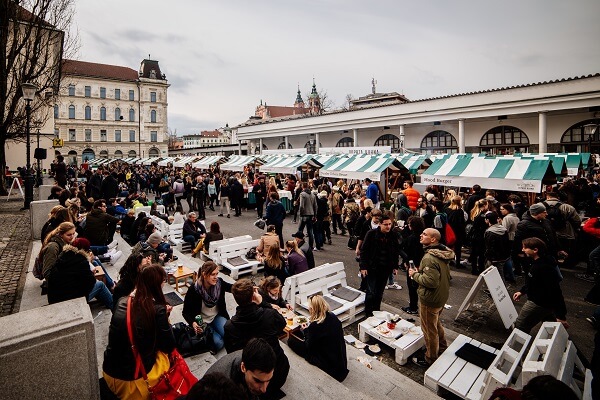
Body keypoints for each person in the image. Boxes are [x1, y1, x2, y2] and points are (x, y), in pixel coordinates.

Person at [102, 265, 176, 400]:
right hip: (133, 381)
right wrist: (165, 319)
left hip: (109, 371)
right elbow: (169, 345)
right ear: (158, 284)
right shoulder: (157, 310)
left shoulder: (122, 301)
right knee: (169, 357)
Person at [224, 279, 289, 400]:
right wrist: (263, 303)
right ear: (254, 294)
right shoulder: (269, 314)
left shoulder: (230, 327)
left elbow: (232, 355)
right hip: (279, 371)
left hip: (253, 377)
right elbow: (282, 324)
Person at [409, 228, 454, 367]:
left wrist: (414, 274)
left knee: (429, 330)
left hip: (430, 299)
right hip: (441, 296)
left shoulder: (429, 257)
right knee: (435, 324)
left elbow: (430, 282)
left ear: (433, 239)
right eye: (421, 233)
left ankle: (430, 358)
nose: (421, 235)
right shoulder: (442, 252)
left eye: (424, 234)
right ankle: (441, 347)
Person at [513, 237, 568, 334]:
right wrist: (522, 291)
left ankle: (512, 348)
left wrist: (561, 315)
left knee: (520, 326)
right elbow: (533, 281)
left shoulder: (544, 267)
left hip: (538, 303)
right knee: (551, 328)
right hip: (543, 303)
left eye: (525, 248)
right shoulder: (539, 262)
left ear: (535, 250)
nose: (522, 250)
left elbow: (555, 291)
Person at [287, 295, 349, 382]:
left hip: (328, 364)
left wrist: (305, 331)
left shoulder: (315, 326)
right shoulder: (333, 317)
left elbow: (309, 346)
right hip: (339, 361)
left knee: (291, 341)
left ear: (313, 309)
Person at [47, 237, 113, 309]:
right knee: (100, 285)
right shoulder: (81, 261)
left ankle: (106, 298)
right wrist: (89, 265)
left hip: (54, 298)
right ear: (85, 251)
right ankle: (113, 305)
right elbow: (91, 283)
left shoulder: (63, 255)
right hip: (68, 301)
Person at [183, 262, 232, 352]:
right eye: (213, 274)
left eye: (217, 274)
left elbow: (232, 288)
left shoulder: (219, 283)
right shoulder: (194, 289)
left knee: (229, 333)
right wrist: (193, 323)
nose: (216, 277)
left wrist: (248, 288)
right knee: (218, 343)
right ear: (204, 275)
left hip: (216, 316)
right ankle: (210, 331)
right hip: (202, 321)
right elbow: (185, 312)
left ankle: (212, 330)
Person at [206, 338, 277, 400]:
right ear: (243, 367)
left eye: (268, 380)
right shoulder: (223, 389)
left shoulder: (249, 356)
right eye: (257, 381)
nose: (264, 389)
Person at [359, 214, 402, 316]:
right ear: (380, 224)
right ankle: (368, 312)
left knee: (379, 292)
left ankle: (376, 311)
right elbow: (364, 251)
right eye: (385, 224)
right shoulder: (371, 234)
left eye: (390, 224)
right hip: (372, 268)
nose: (388, 227)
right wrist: (363, 267)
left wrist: (395, 266)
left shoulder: (393, 235)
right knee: (370, 291)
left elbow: (395, 251)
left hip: (385, 268)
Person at [543, 191, 581, 268]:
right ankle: (566, 264)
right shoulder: (567, 207)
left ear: (547, 197)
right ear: (558, 197)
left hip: (545, 232)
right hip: (565, 232)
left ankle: (550, 262)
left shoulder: (539, 206)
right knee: (566, 248)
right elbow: (577, 221)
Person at [400, 216, 426, 315]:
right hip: (422, 265)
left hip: (413, 265)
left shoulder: (411, 238)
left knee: (412, 287)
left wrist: (406, 262)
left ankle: (413, 307)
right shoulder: (423, 236)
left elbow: (406, 251)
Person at [484, 211, 512, 282]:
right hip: (504, 255)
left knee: (497, 275)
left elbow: (490, 246)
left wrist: (490, 257)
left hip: (494, 257)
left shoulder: (489, 232)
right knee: (500, 273)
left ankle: (499, 291)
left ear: (488, 220)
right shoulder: (503, 230)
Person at [298, 182, 317, 249]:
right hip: (311, 214)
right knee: (310, 231)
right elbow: (315, 206)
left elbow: (301, 206)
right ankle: (311, 246)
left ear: (303, 187)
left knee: (300, 230)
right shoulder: (312, 195)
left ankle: (298, 244)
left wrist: (300, 213)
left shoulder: (302, 194)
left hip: (304, 214)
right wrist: (315, 215)